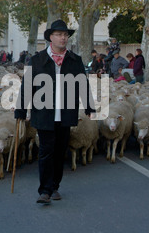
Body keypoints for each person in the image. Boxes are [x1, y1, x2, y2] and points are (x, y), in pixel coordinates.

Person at [14, 19, 95, 205]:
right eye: (59, 34)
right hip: (44, 113)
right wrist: (20, 109)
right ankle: (44, 190)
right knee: (45, 151)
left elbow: (83, 84)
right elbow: (27, 87)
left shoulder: (75, 60)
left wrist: (89, 106)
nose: (63, 38)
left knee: (60, 152)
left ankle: (55, 186)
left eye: (65, 35)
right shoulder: (37, 60)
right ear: (51, 37)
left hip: (65, 113)